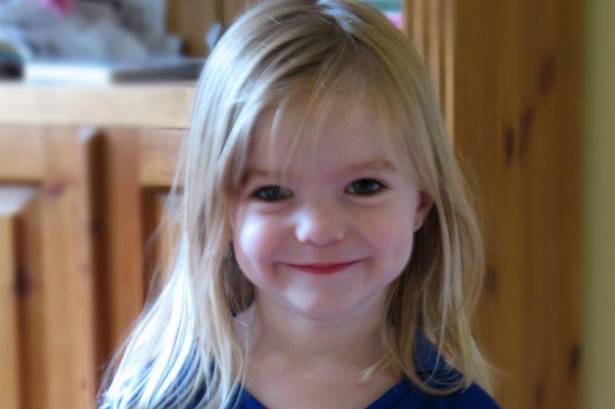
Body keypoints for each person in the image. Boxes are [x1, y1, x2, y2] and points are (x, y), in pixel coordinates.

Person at [98, 0, 500, 408]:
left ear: (421, 201)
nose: (319, 229)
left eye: (364, 186)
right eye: (272, 192)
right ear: (220, 210)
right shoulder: (158, 399)